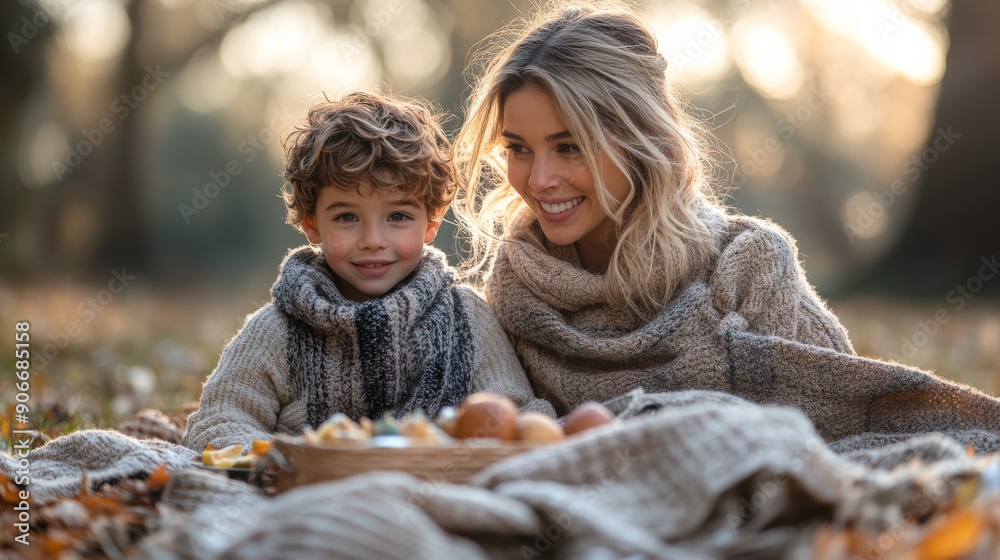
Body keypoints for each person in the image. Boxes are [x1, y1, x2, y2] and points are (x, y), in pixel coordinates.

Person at [452, 2, 856, 417]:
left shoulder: (750, 266)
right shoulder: (513, 291)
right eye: (519, 148)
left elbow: (848, 417)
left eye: (569, 147)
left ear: (638, 139)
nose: (538, 180)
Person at [185, 91, 553, 452]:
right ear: (312, 223)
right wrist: (284, 465)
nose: (373, 240)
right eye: (347, 217)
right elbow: (220, 419)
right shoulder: (278, 331)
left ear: (431, 222)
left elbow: (515, 414)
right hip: (312, 492)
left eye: (398, 217)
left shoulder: (466, 318)